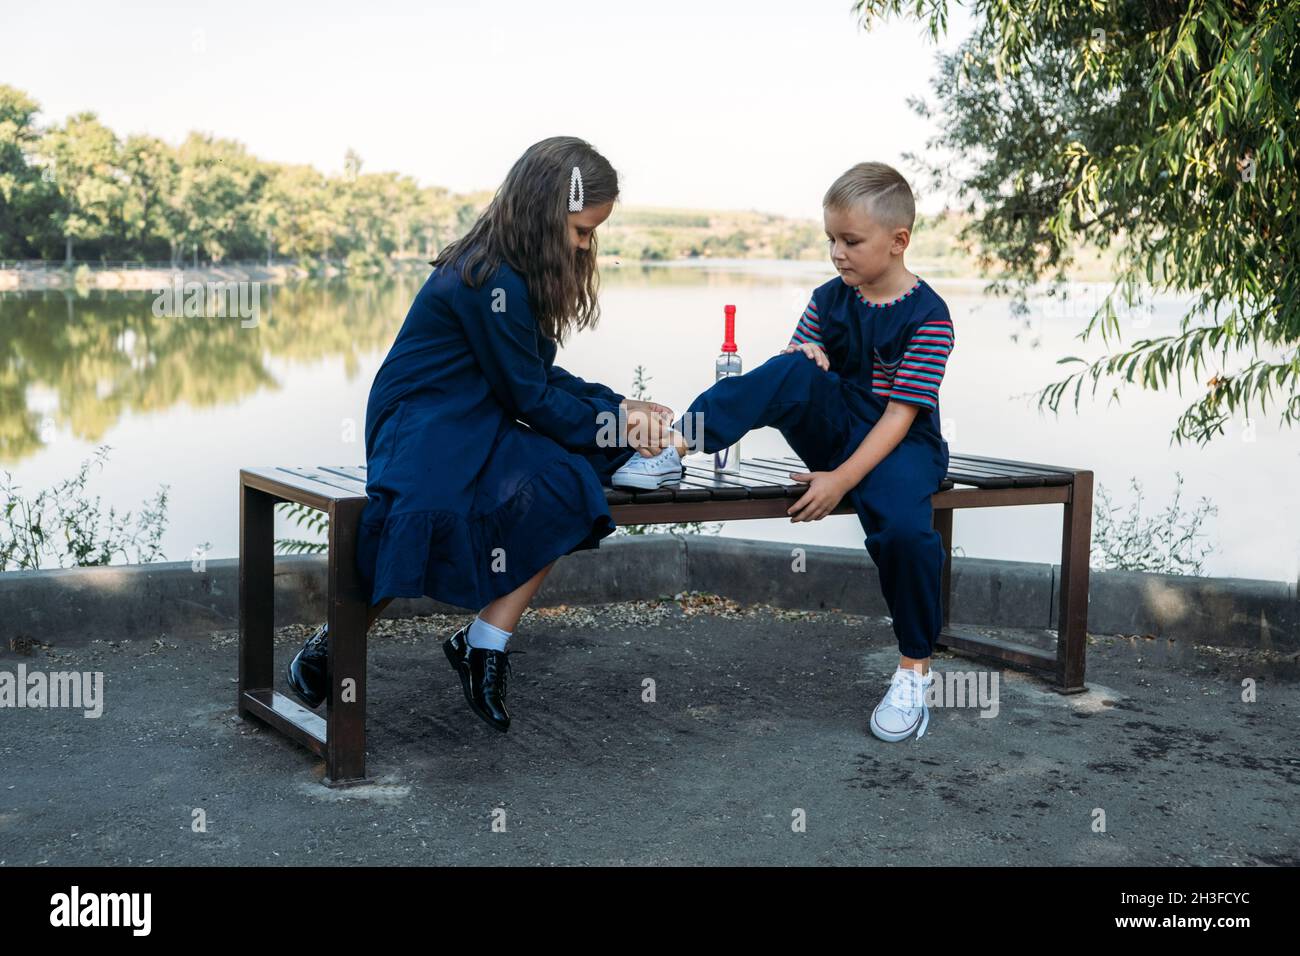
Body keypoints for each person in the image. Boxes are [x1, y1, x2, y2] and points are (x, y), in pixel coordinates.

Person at [286, 136, 675, 732]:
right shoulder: (485, 278)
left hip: (482, 417)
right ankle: (329, 645)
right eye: (580, 230)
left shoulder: (513, 275)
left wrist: (617, 406)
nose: (585, 245)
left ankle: (483, 642)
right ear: (547, 213)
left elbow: (535, 375)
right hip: (425, 424)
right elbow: (530, 396)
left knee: (566, 485)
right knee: (421, 513)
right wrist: (619, 423)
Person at [612, 161, 955, 742]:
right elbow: (784, 374)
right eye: (831, 241)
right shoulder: (830, 297)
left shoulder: (930, 316)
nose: (837, 254)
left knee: (903, 530)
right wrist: (805, 358)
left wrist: (840, 481)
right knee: (790, 370)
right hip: (838, 426)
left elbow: (900, 416)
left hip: (903, 445)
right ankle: (675, 445)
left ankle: (914, 670)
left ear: (899, 242)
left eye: (851, 241)